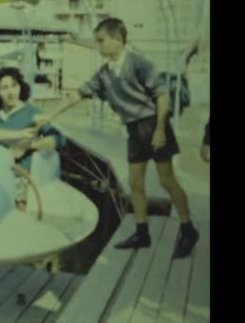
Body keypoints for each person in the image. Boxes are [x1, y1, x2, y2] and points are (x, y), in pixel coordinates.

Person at [34, 18, 198, 259]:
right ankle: (142, 232)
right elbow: (77, 95)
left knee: (166, 180)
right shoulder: (104, 74)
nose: (98, 46)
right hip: (134, 130)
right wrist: (50, 115)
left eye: (101, 41)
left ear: (118, 40)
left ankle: (188, 229)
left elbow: (162, 97)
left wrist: (161, 129)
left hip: (153, 124)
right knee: (134, 184)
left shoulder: (139, 64)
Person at [0, 67, 66, 207]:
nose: (10, 92)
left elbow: (59, 140)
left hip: (23, 182)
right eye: (4, 88)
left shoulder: (33, 113)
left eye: (14, 86)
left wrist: (28, 145)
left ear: (21, 87)